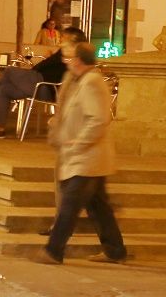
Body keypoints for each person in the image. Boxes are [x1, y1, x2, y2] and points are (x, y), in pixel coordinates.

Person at [33, 42, 127, 265]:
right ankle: (115, 250)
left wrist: (79, 143)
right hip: (81, 156)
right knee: (98, 206)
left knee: (70, 204)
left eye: (70, 57)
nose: (66, 60)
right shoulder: (76, 80)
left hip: (87, 157)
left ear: (79, 60)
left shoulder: (91, 82)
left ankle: (53, 250)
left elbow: (98, 119)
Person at [0, 27, 87, 137]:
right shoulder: (63, 53)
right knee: (5, 89)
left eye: (63, 38)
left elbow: (48, 70)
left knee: (9, 71)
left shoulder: (74, 56)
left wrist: (49, 60)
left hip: (45, 86)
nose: (60, 40)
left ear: (73, 40)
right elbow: (47, 65)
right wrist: (49, 58)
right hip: (39, 82)